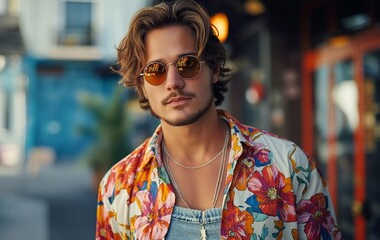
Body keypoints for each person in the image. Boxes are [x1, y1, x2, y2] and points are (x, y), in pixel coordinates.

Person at [96, 0, 342, 239]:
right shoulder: (118, 188)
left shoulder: (290, 167)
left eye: (187, 64)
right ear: (142, 85)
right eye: (155, 70)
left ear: (213, 69)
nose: (173, 82)